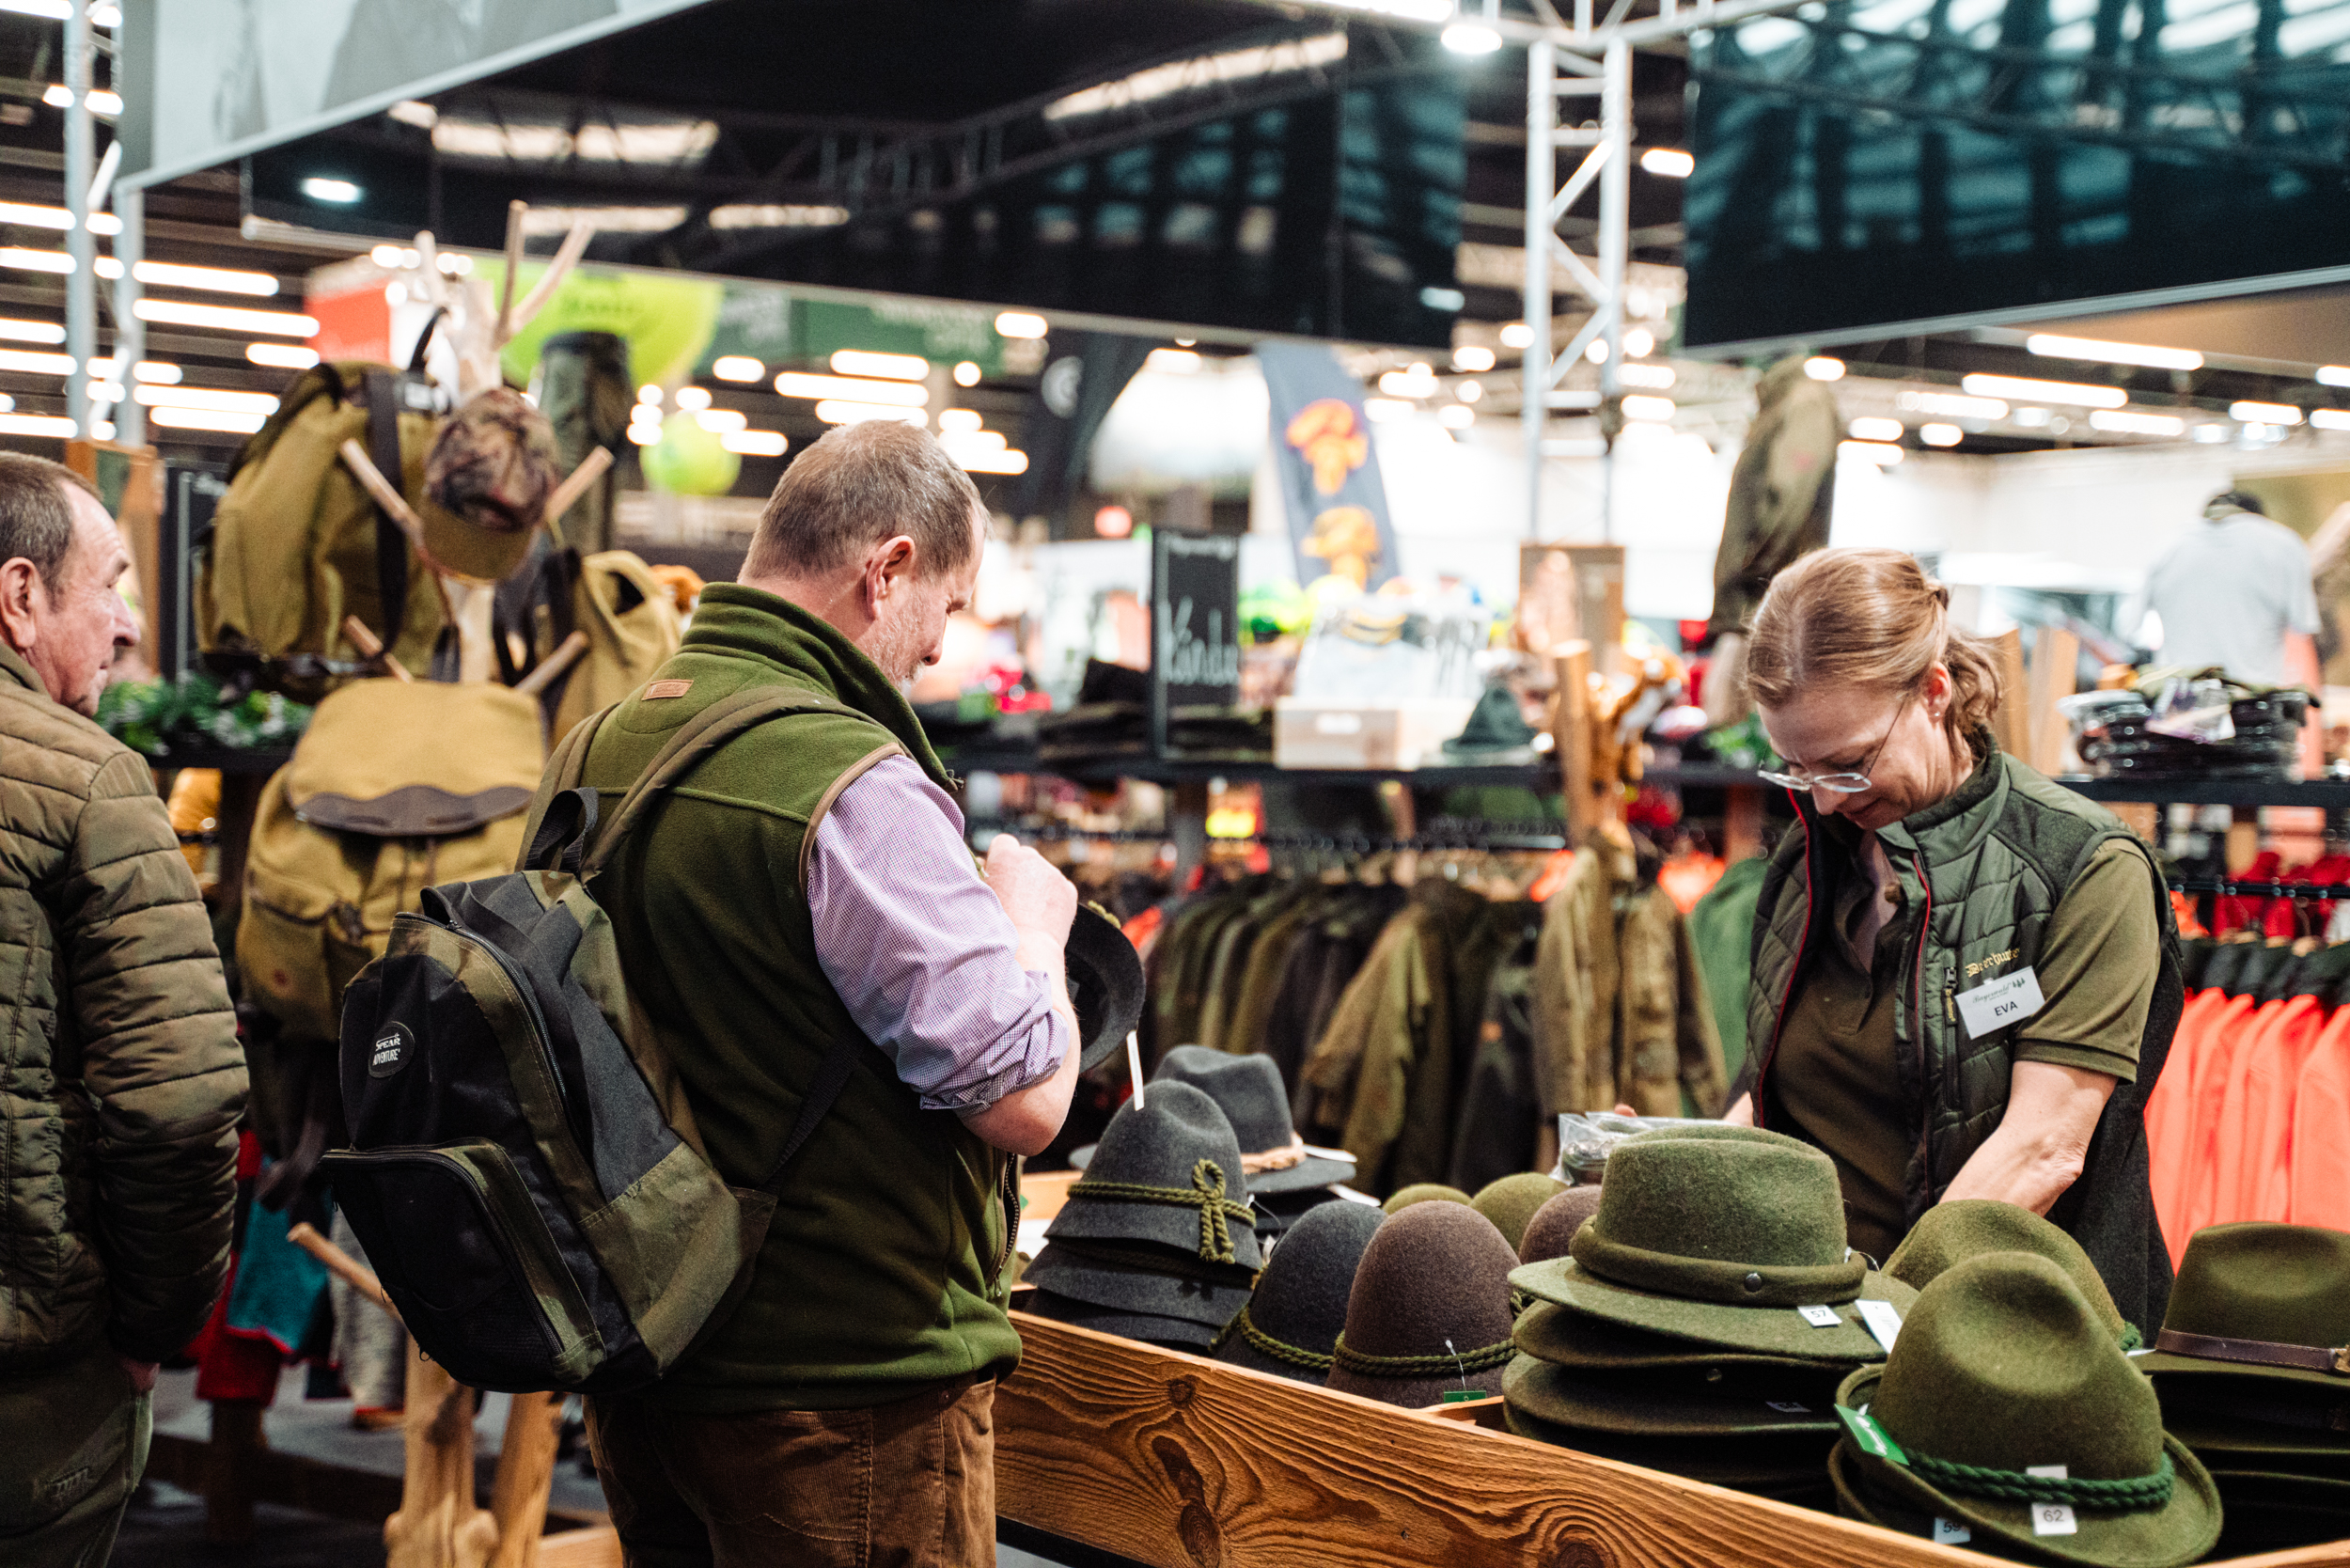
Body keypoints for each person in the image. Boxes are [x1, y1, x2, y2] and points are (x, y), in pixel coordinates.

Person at [576, 421, 1079, 1567]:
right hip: (845, 1394)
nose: (939, 650)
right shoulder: (850, 784)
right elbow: (1024, 1102)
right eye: (947, 607)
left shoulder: (601, 747)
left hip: (646, 1360)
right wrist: (1034, 927)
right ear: (888, 569)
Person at [1730, 547, 2178, 1336]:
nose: (1826, 801)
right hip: (1811, 1322)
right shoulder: (1811, 861)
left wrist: (1880, 1317)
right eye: (1797, 770)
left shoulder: (2083, 870)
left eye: (1850, 764)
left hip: (2006, 1339)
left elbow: (2043, 1150)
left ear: (1934, 692)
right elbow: (1773, 1099)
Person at [0, 453, 246, 1564]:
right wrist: (152, 1329)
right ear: (20, 597)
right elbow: (176, 1107)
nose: (130, 626)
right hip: (27, 1384)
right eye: (109, 583)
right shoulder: (89, 783)